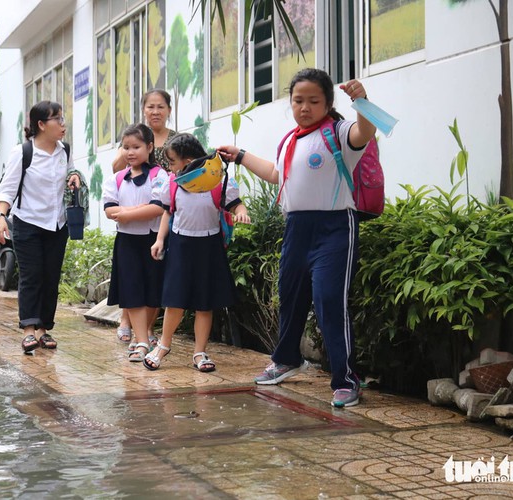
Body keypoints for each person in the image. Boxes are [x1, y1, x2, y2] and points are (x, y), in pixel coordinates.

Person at [217, 68, 376, 408]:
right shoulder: (291, 139)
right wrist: (241, 155)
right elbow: (277, 175)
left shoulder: (340, 131)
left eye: (313, 101)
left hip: (334, 228)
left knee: (328, 301)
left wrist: (362, 100)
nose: (304, 107)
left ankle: (346, 381)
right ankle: (287, 359)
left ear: (328, 103)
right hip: (296, 228)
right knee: (290, 297)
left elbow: (366, 131)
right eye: (298, 101)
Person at [144, 133, 250, 372]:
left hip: (209, 247)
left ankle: (200, 352)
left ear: (188, 159)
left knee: (205, 303)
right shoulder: (173, 183)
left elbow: (235, 203)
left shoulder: (216, 180)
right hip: (181, 246)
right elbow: (168, 212)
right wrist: (160, 240)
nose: (170, 167)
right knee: (175, 301)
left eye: (172, 162)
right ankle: (163, 345)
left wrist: (241, 212)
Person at [0, 100, 84, 354]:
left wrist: (74, 176)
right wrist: (1, 216)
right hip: (28, 223)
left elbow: (70, 172)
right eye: (57, 119)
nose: (63, 124)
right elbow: (8, 188)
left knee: (50, 276)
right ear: (41, 125)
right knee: (31, 276)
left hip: (58, 223)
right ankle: (29, 330)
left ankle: (44, 329)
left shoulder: (64, 150)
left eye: (63, 118)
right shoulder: (23, 152)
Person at [111, 89, 176, 345]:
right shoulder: (132, 137)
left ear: (169, 110)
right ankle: (126, 321)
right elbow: (116, 170)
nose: (155, 111)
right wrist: (126, 149)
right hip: (131, 219)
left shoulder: (177, 139)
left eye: (160, 106)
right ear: (144, 110)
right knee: (131, 275)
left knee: (153, 276)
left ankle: (147, 330)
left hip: (160, 217)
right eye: (150, 106)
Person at [102, 123, 168, 362]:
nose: (130, 152)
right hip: (127, 243)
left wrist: (128, 213)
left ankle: (147, 334)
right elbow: (109, 210)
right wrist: (139, 209)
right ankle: (141, 341)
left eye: (136, 147)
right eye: (126, 147)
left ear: (150, 147)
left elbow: (158, 207)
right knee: (132, 291)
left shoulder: (159, 175)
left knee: (153, 291)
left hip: (153, 241)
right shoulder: (117, 179)